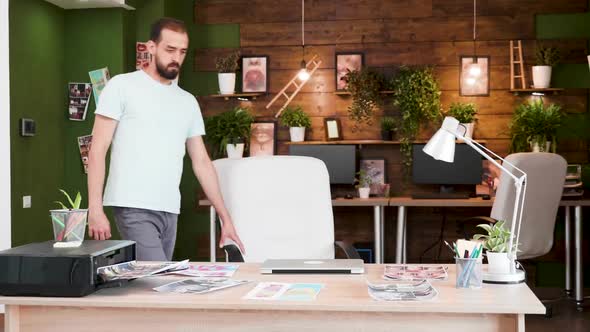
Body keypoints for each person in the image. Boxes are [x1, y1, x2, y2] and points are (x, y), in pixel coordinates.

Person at [87, 17, 245, 261]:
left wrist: (225, 218)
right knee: (156, 280)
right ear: (151, 47)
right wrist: (95, 209)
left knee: (151, 286)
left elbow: (202, 161)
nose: (176, 58)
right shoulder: (121, 86)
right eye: (169, 49)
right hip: (133, 204)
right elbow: (97, 149)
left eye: (182, 52)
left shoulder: (187, 101)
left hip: (170, 208)